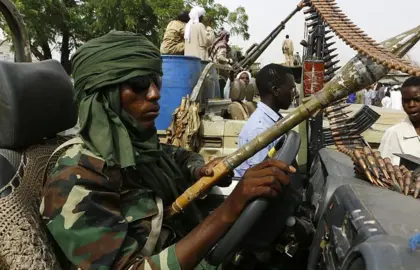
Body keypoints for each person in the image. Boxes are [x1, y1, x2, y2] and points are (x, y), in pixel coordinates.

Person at [40, 31, 294, 270]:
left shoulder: (135, 147)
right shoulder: (77, 177)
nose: (154, 94)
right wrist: (232, 208)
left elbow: (176, 155)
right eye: (139, 83)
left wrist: (200, 168)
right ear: (104, 95)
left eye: (156, 81)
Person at [234, 64, 296, 177]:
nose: (294, 94)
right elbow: (260, 178)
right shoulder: (261, 129)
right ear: (275, 90)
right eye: (291, 89)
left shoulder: (272, 119)